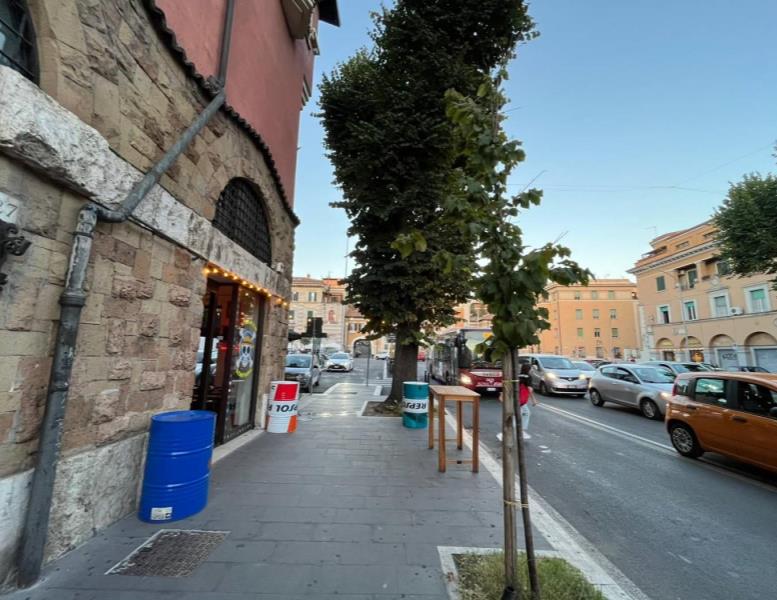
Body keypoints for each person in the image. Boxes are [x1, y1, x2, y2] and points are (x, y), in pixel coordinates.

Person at [497, 363, 538, 442]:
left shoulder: (517, 376)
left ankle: (521, 431)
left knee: (526, 413)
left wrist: (502, 395)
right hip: (520, 400)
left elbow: (509, 385)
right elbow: (529, 389)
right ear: (529, 369)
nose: (532, 370)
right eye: (531, 369)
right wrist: (534, 400)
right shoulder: (528, 377)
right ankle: (503, 434)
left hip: (515, 399)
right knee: (516, 417)